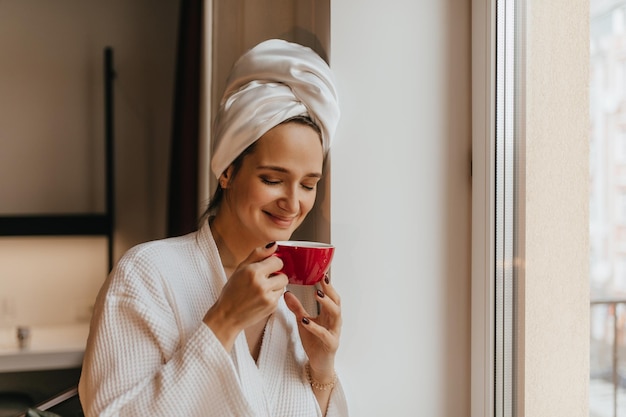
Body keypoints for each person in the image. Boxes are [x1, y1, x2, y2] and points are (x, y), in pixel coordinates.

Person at [78, 39, 348, 417]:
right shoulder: (146, 275)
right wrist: (224, 321)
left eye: (308, 184)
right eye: (273, 179)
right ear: (227, 171)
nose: (293, 201)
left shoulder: (294, 301)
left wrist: (321, 368)